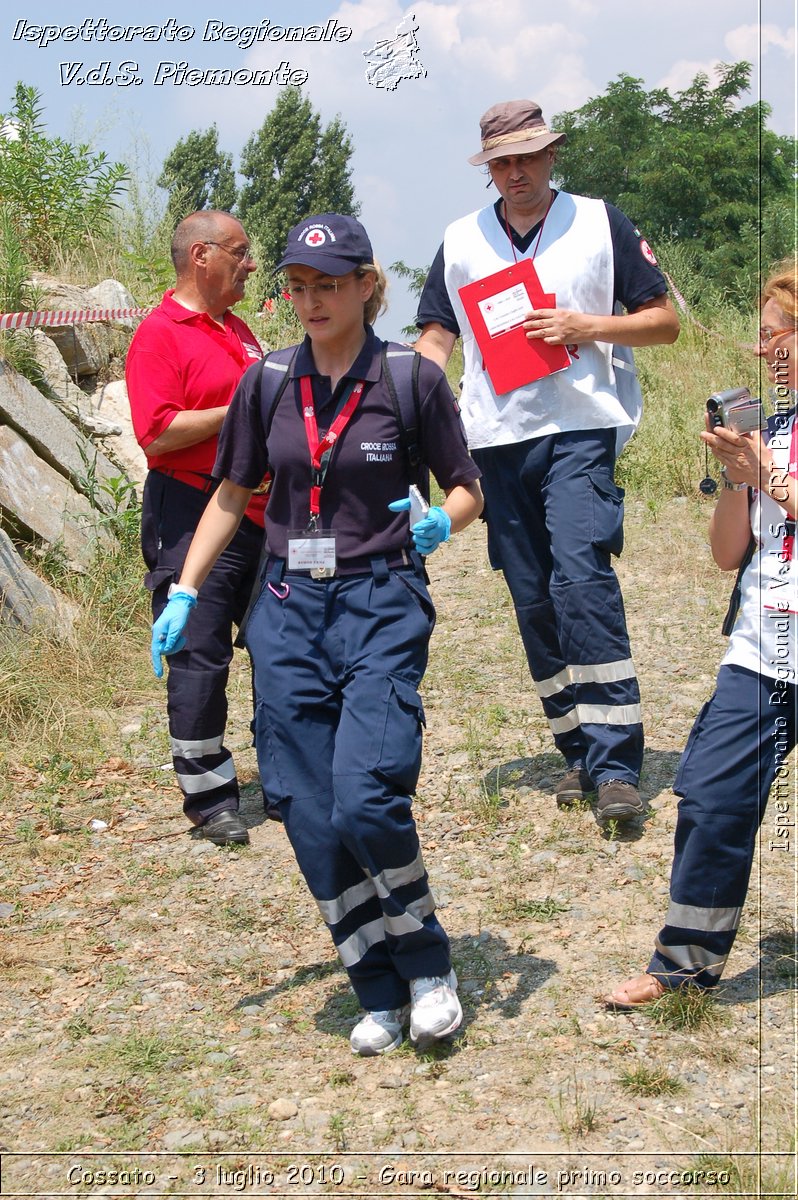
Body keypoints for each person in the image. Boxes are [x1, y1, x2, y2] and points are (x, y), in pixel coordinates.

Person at [150, 213, 484, 1055]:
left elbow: (469, 486)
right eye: (297, 285)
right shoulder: (265, 379)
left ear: (369, 285)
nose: (311, 300)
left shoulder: (410, 378)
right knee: (305, 806)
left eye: (328, 284)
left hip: (381, 600)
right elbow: (231, 494)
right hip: (288, 608)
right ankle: (373, 980)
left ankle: (428, 963)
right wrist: (186, 592)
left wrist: (441, 522)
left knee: (367, 792)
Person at [415, 99, 680, 823]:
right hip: (496, 439)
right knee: (532, 596)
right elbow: (436, 336)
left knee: (581, 576)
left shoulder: (599, 222)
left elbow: (665, 322)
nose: (516, 172)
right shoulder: (460, 240)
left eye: (527, 156)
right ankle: (574, 750)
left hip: (581, 426)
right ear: (488, 169)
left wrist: (585, 325)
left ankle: (618, 762)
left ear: (552, 154)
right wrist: (405, 390)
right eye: (502, 161)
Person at [605, 260, 797, 1007]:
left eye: (776, 337)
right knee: (713, 802)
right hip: (762, 649)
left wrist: (771, 477)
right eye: (760, 339)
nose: (764, 354)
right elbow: (726, 556)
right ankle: (681, 969)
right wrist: (739, 477)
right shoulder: (775, 429)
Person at [126, 210, 273, 847]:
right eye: (240, 253)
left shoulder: (239, 331)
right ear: (202, 256)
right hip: (190, 510)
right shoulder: (159, 335)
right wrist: (239, 403)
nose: (250, 264)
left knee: (278, 646)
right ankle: (210, 797)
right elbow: (157, 432)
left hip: (260, 516)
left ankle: (288, 777)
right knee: (200, 656)